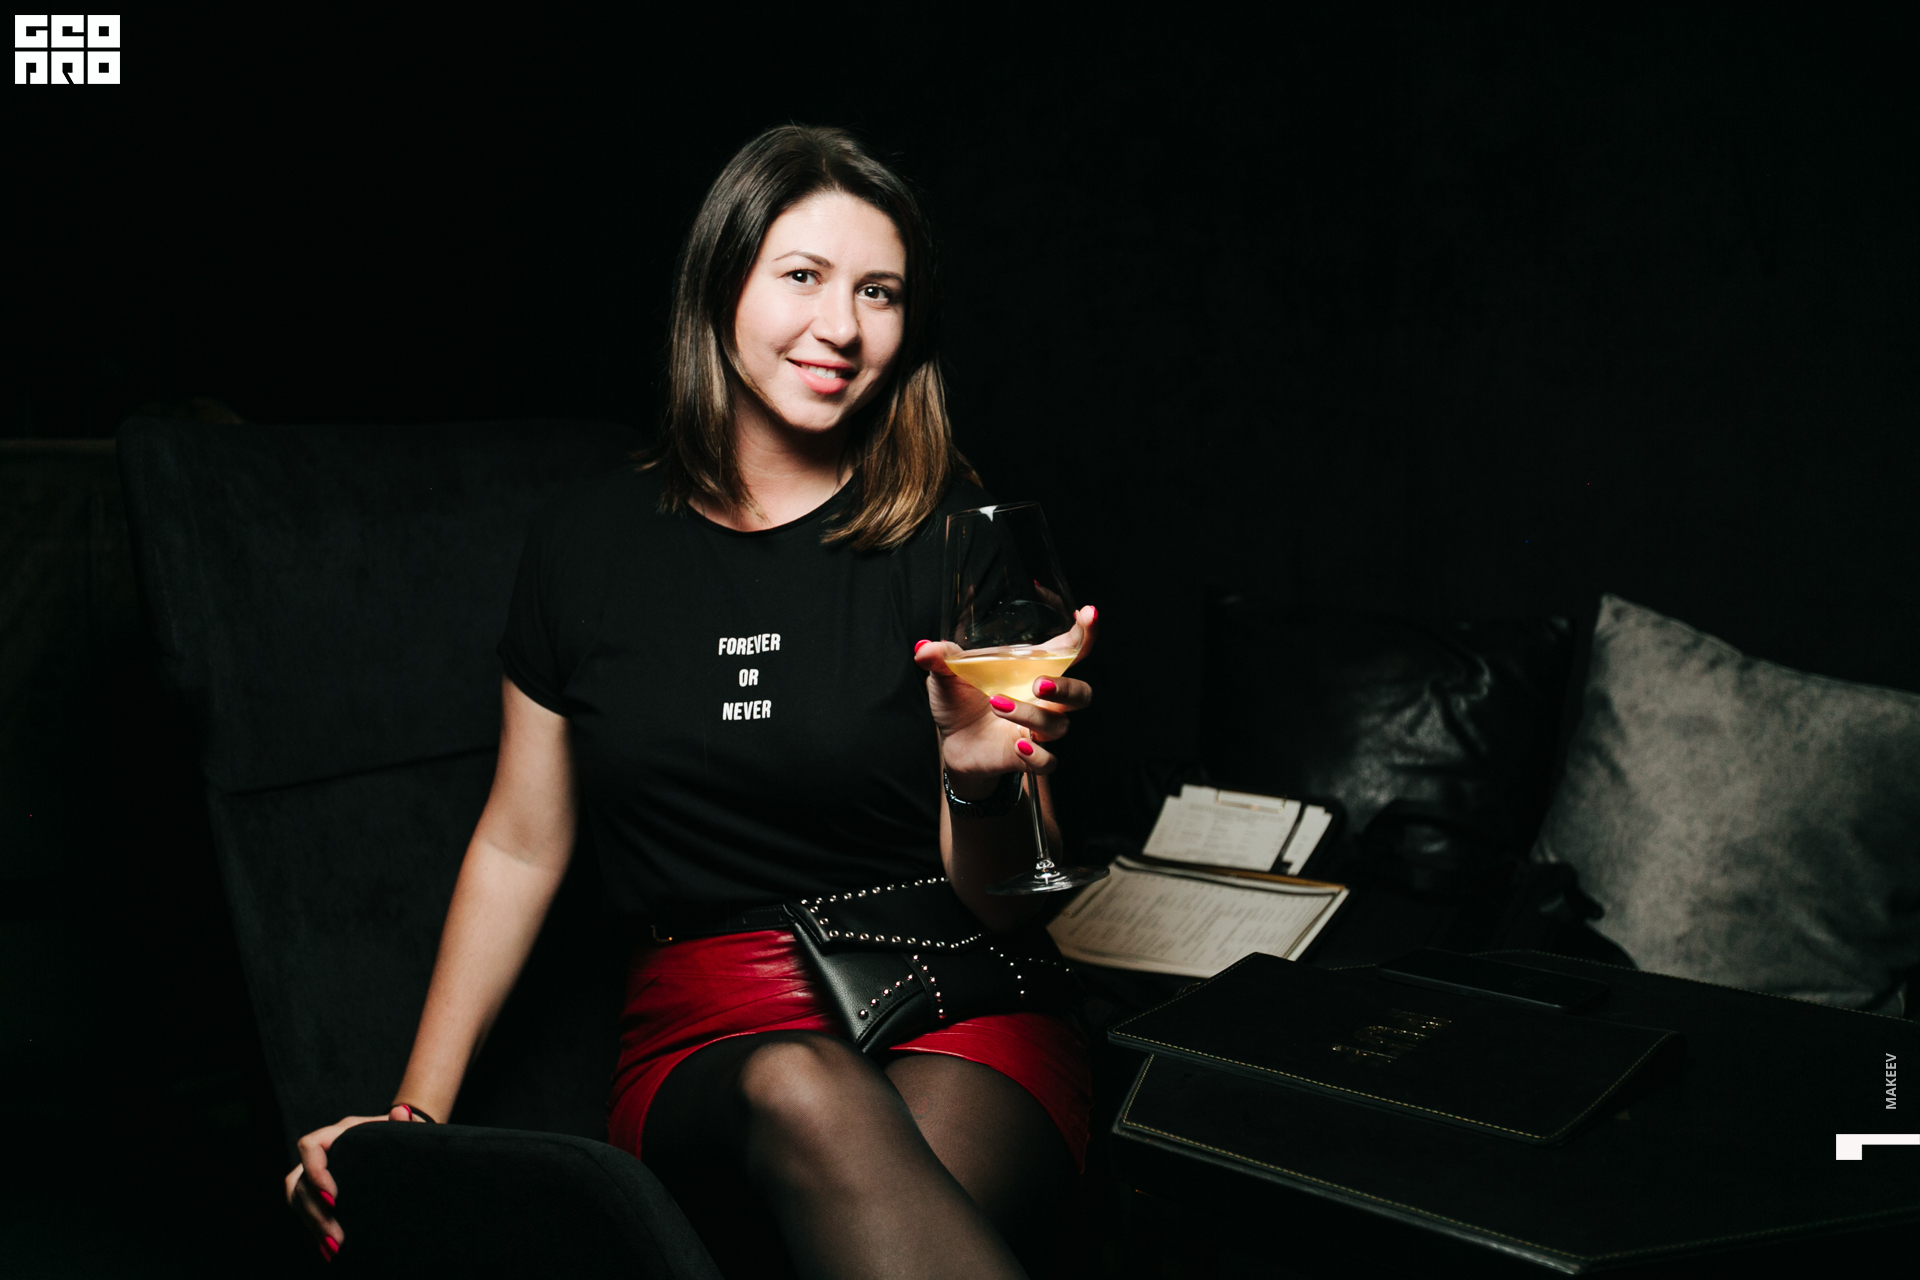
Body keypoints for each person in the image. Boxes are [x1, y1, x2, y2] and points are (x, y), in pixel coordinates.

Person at [284, 124, 1098, 1278]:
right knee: (803, 1085)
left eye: (879, 291)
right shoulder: (583, 544)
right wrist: (414, 1117)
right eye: (803, 275)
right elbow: (519, 844)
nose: (841, 325)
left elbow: (1015, 901)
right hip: (710, 1029)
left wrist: (980, 783)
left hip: (960, 999)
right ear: (720, 285)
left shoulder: (957, 536)